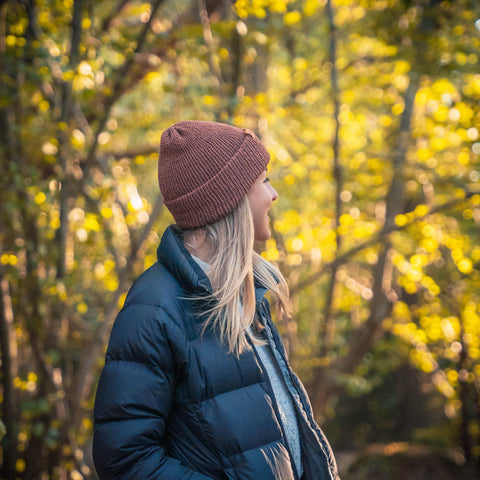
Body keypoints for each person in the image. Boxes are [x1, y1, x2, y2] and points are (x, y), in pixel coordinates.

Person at [92, 120, 340, 480]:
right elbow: (125, 459)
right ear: (230, 200)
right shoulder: (153, 310)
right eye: (263, 181)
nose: (273, 195)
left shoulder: (247, 293)